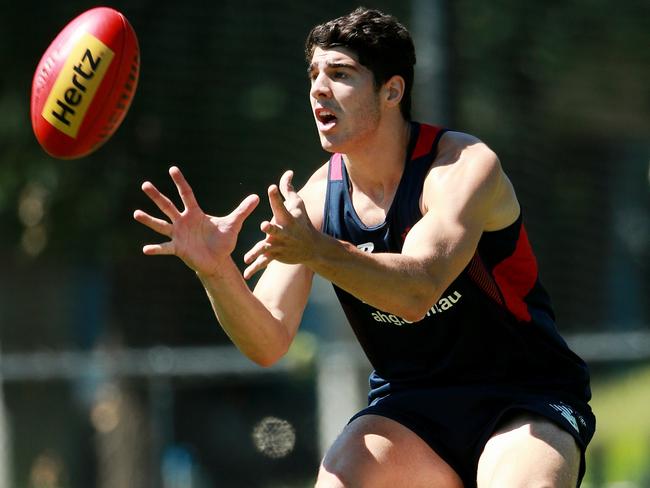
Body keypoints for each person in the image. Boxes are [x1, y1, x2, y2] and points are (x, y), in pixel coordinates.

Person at [134, 7, 595, 487]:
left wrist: (316, 251)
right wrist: (215, 271)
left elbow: (418, 292)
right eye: (314, 74)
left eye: (340, 74)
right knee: (340, 477)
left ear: (392, 91)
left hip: (523, 398)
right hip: (412, 407)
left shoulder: (462, 166)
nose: (318, 88)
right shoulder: (315, 200)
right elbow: (268, 339)